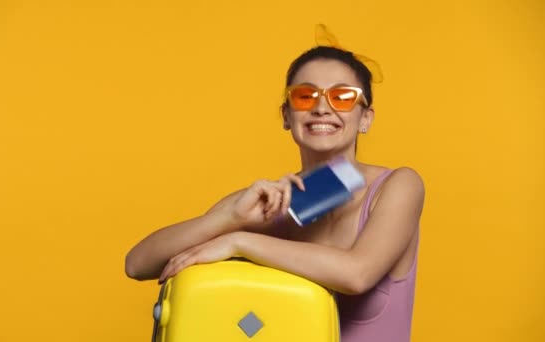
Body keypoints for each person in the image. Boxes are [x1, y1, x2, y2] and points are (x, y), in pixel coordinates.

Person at [125, 45, 425, 342]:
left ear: (365, 118)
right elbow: (137, 264)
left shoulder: (398, 186)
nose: (322, 108)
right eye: (305, 96)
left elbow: (356, 274)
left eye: (342, 97)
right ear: (286, 115)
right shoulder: (266, 203)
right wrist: (230, 218)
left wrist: (239, 241)